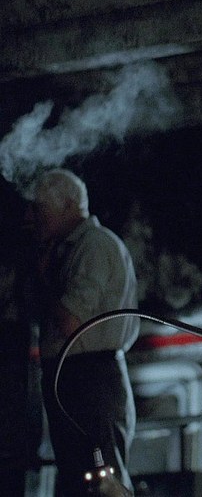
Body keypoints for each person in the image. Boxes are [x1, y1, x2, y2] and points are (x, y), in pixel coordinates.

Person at [28, 169, 138, 495]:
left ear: (67, 205)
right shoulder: (72, 248)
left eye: (40, 207)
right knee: (82, 477)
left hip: (90, 377)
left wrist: (45, 279)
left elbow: (70, 321)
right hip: (78, 374)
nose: (33, 217)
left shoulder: (93, 246)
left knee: (103, 480)